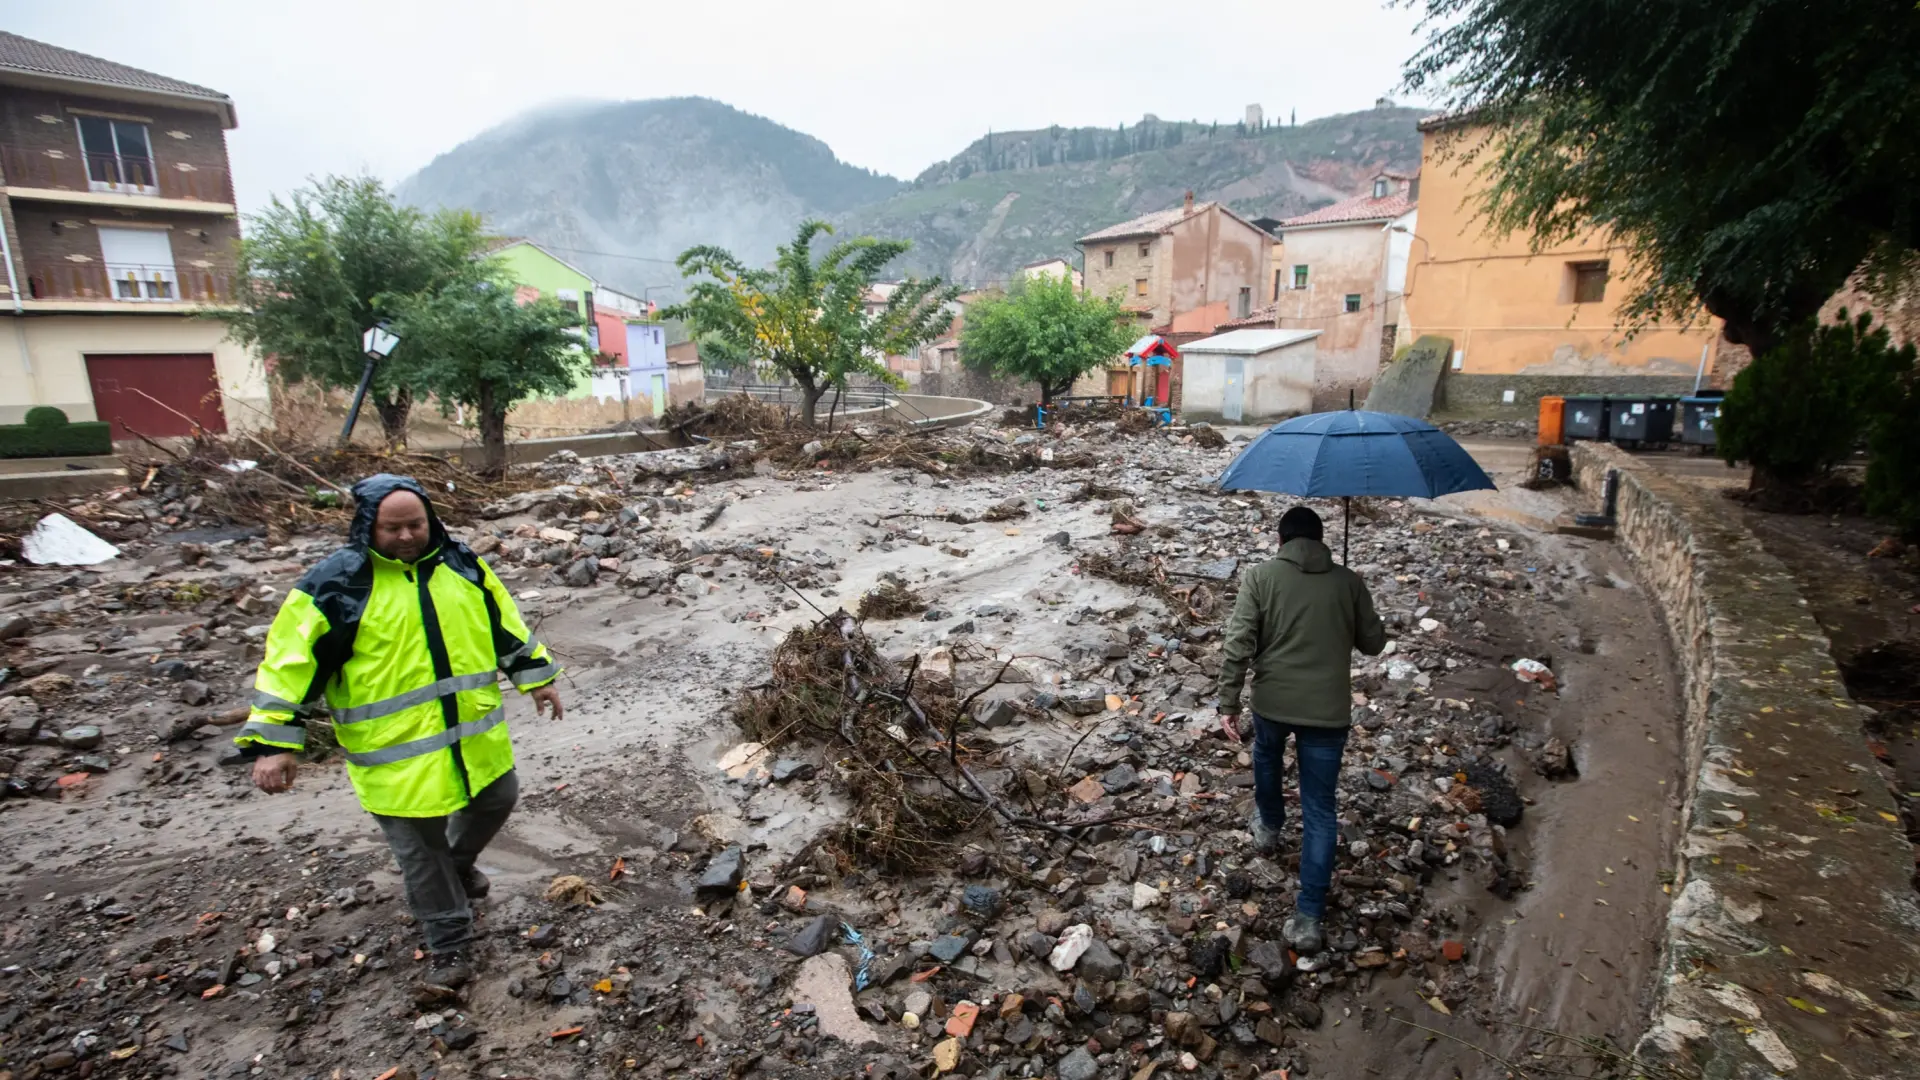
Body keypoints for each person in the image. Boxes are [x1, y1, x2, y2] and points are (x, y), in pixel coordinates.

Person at [236, 474, 563, 988]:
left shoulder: (460, 563)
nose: (407, 536)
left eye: (416, 524)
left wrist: (536, 678)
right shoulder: (336, 585)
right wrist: (275, 745)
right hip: (392, 755)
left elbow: (504, 623)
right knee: (420, 851)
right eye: (394, 528)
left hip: (470, 738)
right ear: (368, 526)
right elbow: (288, 665)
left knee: (499, 797)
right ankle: (449, 943)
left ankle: (457, 869)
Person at [1216, 505, 1386, 953]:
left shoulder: (1261, 576)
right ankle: (1309, 917)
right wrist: (1351, 606)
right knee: (1320, 809)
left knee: (1267, 756)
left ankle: (1269, 825)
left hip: (1273, 702)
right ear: (1322, 540)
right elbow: (1374, 644)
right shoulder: (1348, 581)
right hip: (1328, 712)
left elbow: (1239, 641)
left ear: (1281, 541)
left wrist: (1227, 701)